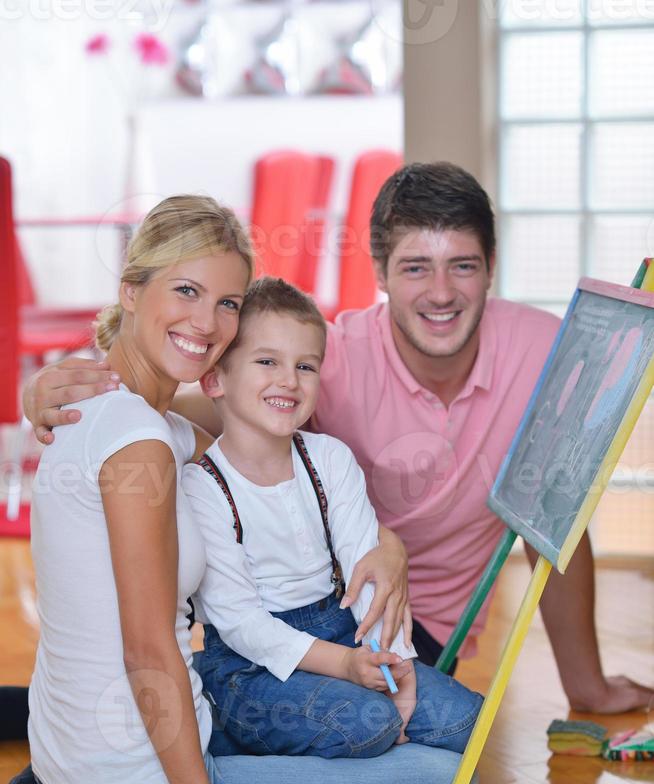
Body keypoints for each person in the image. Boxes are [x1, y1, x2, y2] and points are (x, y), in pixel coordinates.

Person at [26, 163, 653, 714]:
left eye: (462, 266)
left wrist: (586, 687)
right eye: (415, 268)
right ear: (379, 272)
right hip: (292, 607)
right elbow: (207, 407)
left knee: (420, 733)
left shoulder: (548, 352)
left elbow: (556, 523)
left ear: (491, 268)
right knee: (214, 692)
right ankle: (66, 753)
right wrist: (70, 392)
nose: (440, 293)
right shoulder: (334, 357)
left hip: (410, 627)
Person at [8, 194, 478, 784]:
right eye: (187, 291)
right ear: (131, 292)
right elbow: (147, 649)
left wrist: (387, 543)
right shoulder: (141, 441)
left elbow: (259, 445)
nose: (207, 322)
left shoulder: (133, 417)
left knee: (443, 729)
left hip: (87, 759)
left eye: (228, 303)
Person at [182, 275, 483, 758]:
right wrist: (346, 666)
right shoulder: (202, 487)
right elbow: (240, 623)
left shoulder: (331, 458)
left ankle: (372, 761)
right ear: (215, 378)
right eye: (266, 362)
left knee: (466, 721)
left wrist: (396, 666)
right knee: (367, 726)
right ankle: (223, 718)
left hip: (342, 632)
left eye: (306, 365)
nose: (289, 380)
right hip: (251, 666)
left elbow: (367, 575)